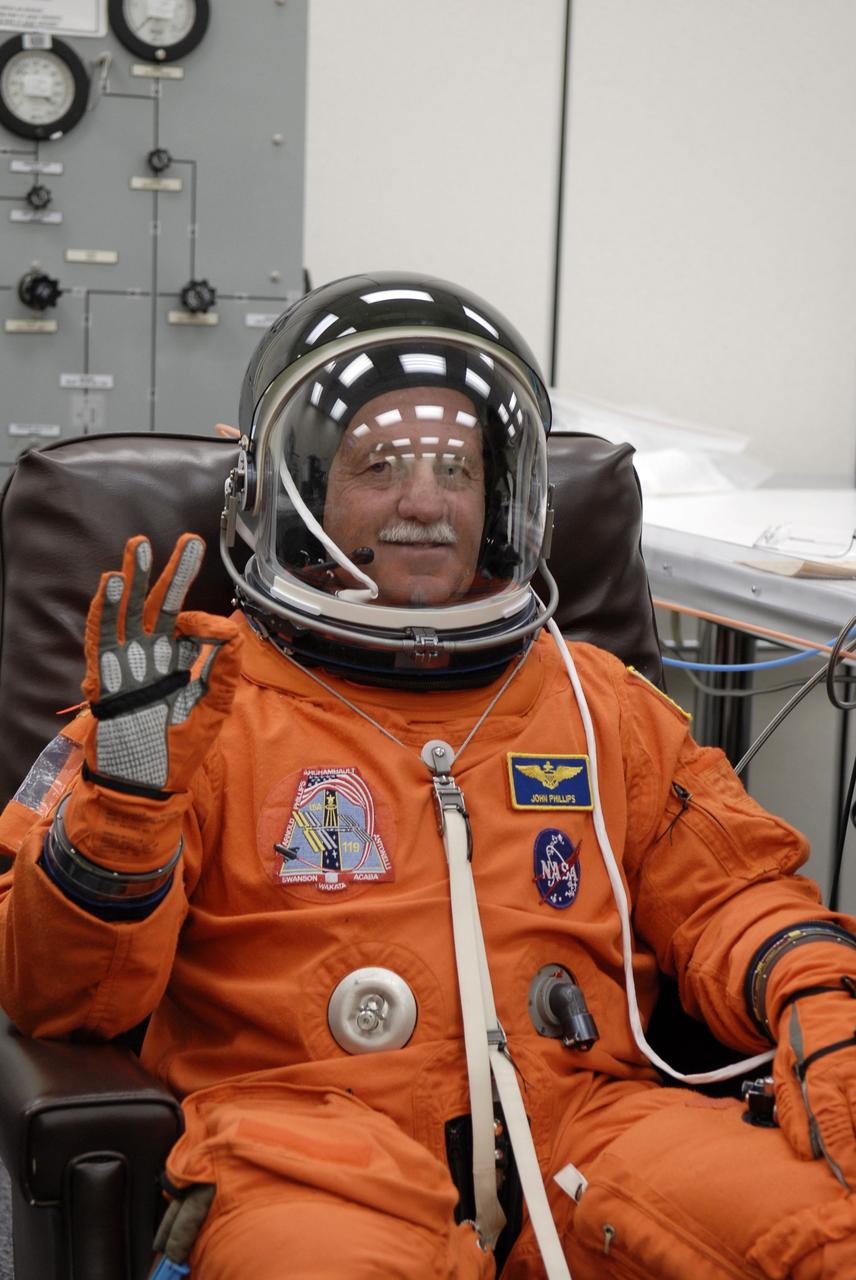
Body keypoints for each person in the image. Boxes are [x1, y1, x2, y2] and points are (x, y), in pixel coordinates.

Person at [1, 272, 856, 1280]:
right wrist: (127, 803)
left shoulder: (592, 700)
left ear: (500, 496)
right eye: (382, 464)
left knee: (816, 1235)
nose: (422, 499)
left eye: (456, 466)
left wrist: (817, 995)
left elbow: (730, 889)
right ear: (301, 486)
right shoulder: (188, 706)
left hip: (591, 1124)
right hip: (305, 1151)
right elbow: (56, 999)